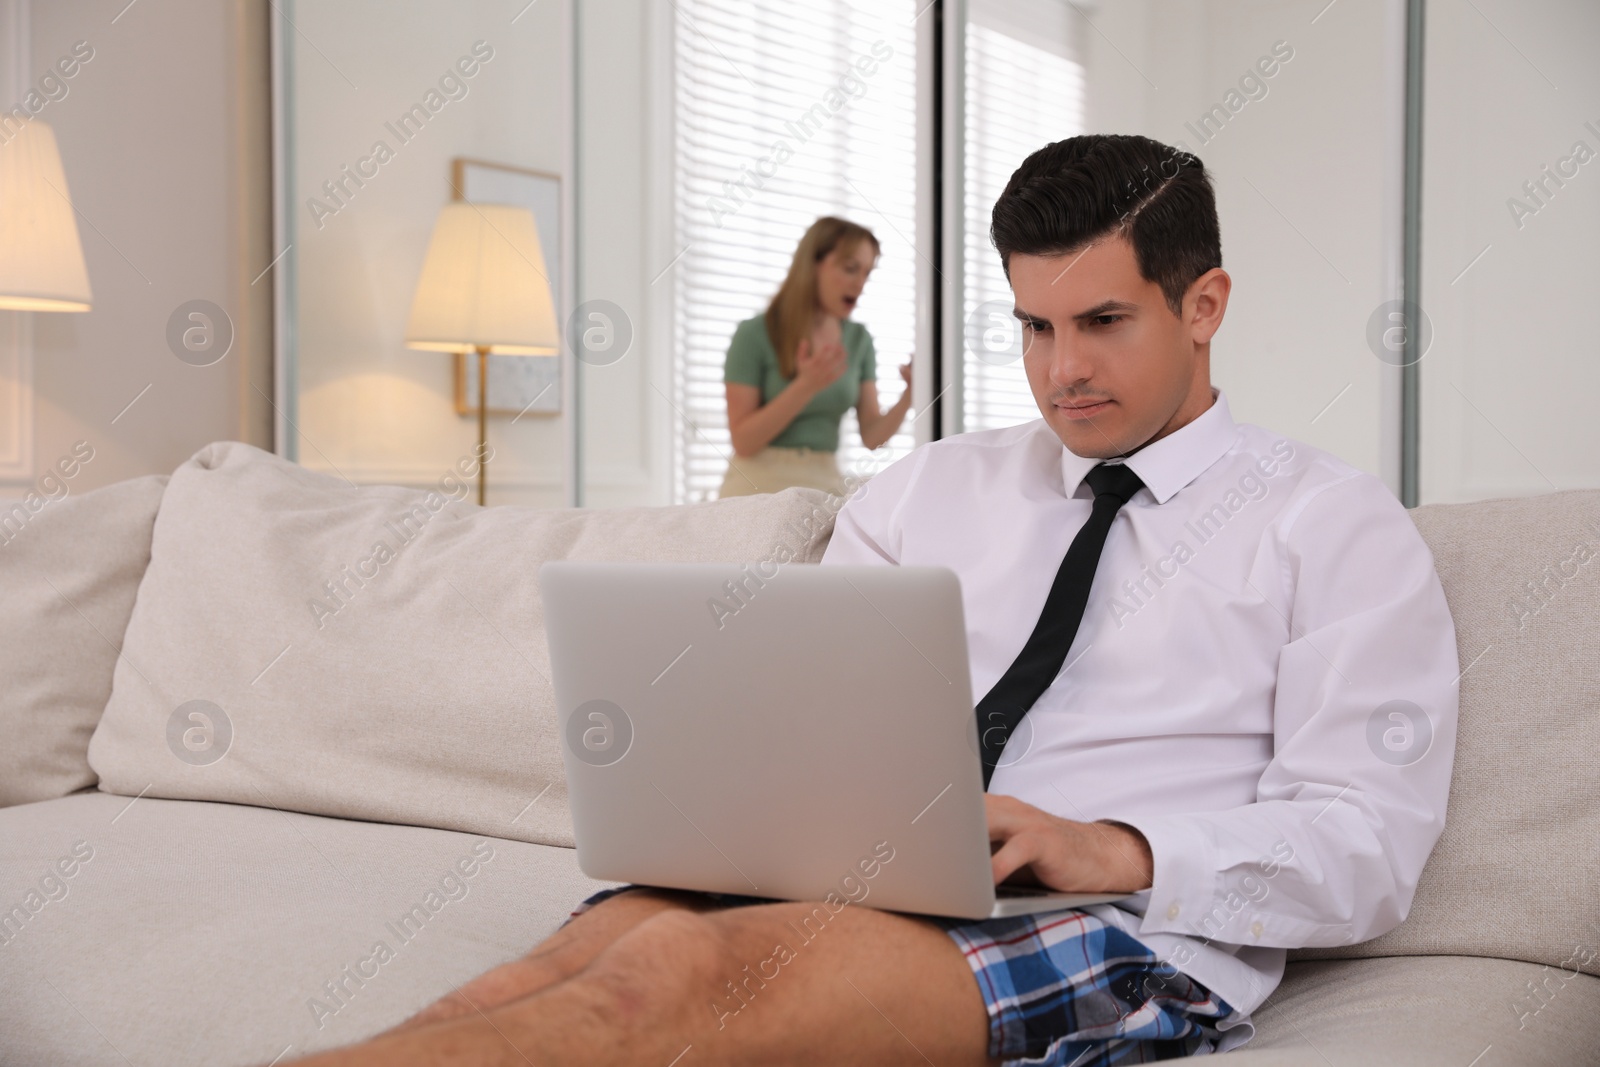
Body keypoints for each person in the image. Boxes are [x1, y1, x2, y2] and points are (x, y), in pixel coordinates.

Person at [283, 135, 1459, 1066]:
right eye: (1034, 326)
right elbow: (808, 725)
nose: (1063, 371)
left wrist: (1108, 845)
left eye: (1103, 322)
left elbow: (1366, 844)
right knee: (562, 968)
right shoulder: (935, 486)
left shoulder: (1332, 523)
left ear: (1203, 304)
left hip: (1130, 925)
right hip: (865, 869)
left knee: (665, 985)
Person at [718, 216, 913, 499]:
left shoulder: (858, 340)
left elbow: (873, 437)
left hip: (822, 483)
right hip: (756, 484)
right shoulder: (754, 334)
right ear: (812, 265)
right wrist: (805, 385)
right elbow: (744, 441)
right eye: (850, 269)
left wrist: (910, 395)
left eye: (867, 273)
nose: (860, 283)